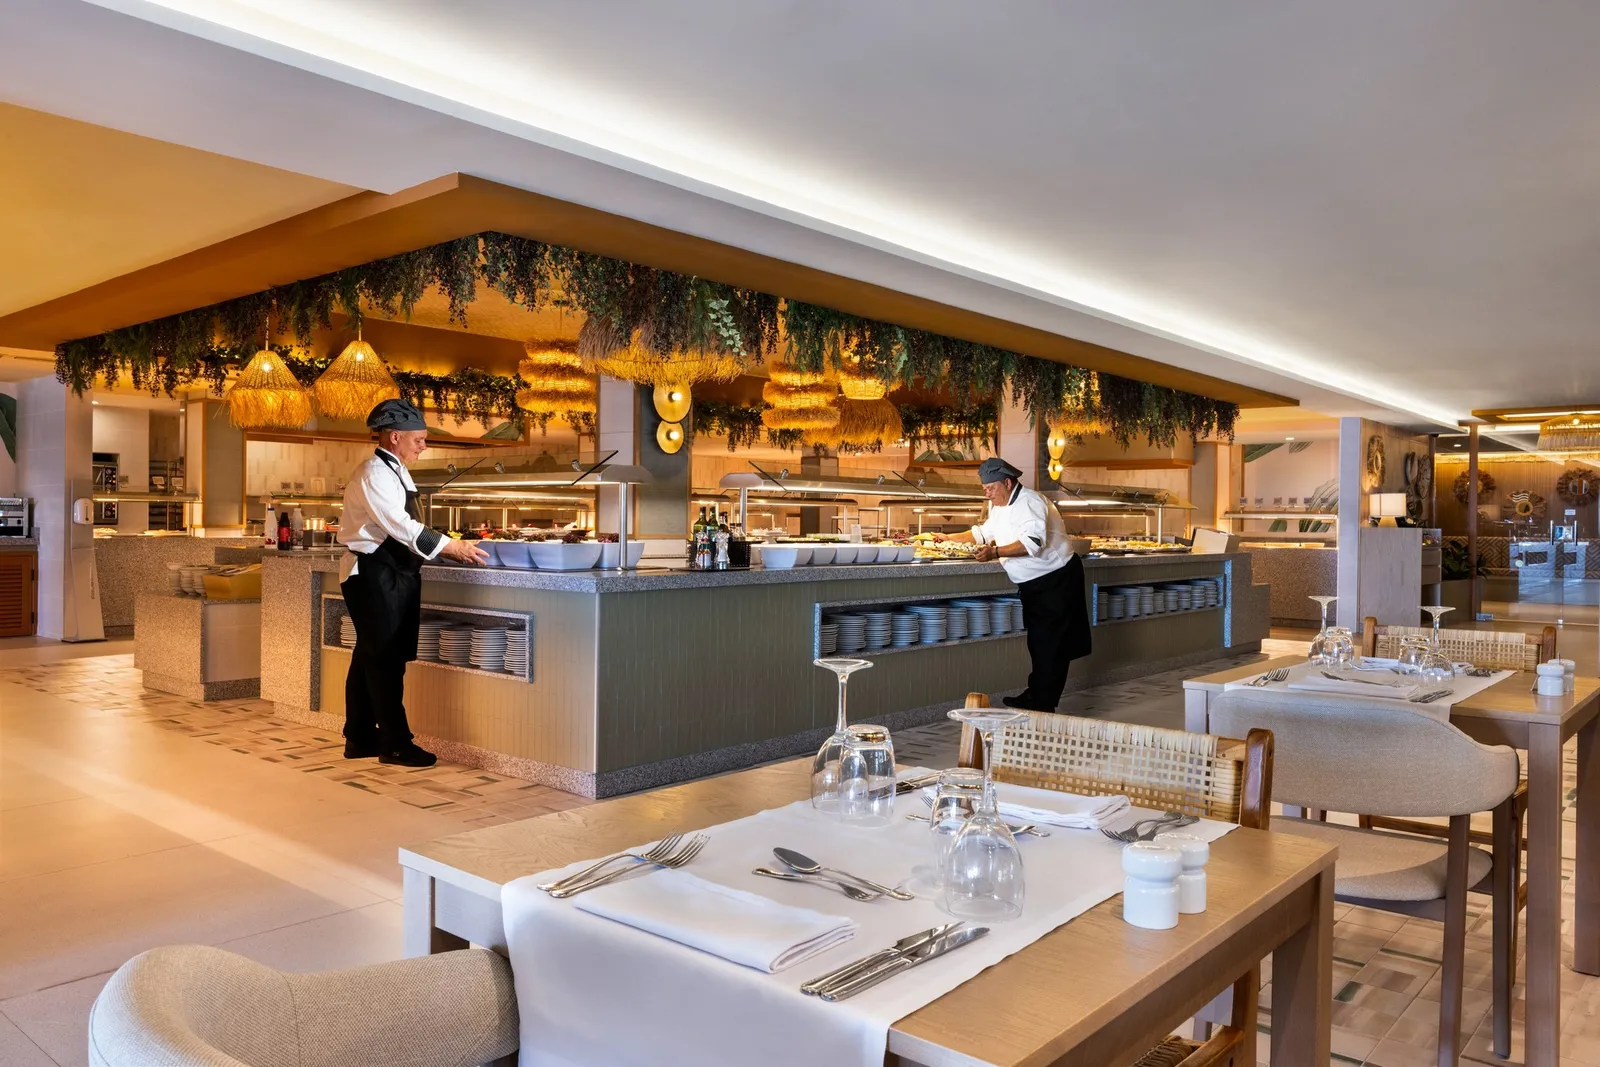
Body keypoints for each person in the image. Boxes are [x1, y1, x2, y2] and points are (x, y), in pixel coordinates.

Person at [338, 399, 489, 766]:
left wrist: (445, 545)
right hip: (373, 573)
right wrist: (449, 546)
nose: (424, 446)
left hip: (392, 572)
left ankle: (359, 737)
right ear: (394, 437)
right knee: (385, 660)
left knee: (369, 656)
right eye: (419, 439)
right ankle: (395, 743)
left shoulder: (397, 471)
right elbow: (400, 525)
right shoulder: (374, 473)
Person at [937, 457, 1090, 711]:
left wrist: (995, 552)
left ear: (1007, 483)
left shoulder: (1029, 501)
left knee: (1050, 645)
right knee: (1038, 643)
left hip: (1056, 580)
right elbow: (982, 533)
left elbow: (1033, 543)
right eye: (984, 489)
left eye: (990, 488)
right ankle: (1036, 695)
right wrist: (946, 538)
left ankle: (1043, 704)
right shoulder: (1000, 505)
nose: (987, 494)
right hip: (1035, 584)